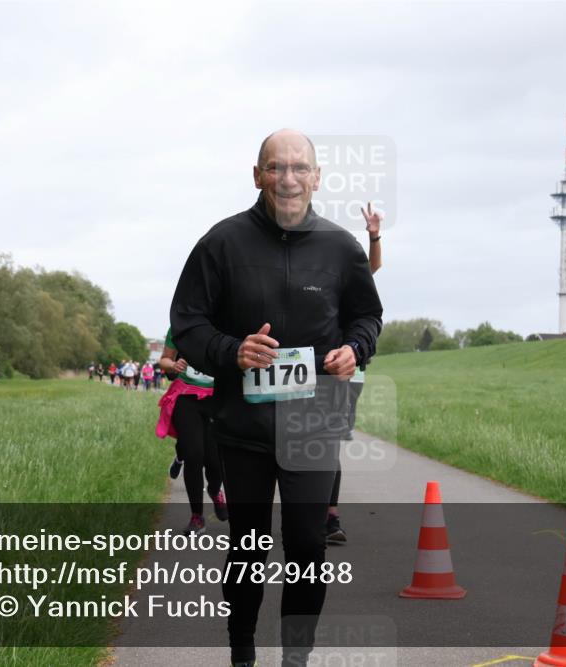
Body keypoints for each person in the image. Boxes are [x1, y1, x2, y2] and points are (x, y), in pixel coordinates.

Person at [170, 129, 382, 667]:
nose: (288, 179)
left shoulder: (341, 247)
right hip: (242, 428)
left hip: (313, 425)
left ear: (317, 176)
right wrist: (231, 349)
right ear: (257, 174)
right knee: (248, 548)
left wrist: (355, 349)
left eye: (298, 168)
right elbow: (188, 324)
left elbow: (367, 317)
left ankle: (296, 659)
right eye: (276, 167)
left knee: (308, 548)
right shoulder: (221, 243)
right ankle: (242, 654)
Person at [327, 201, 384, 545]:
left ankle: (329, 517)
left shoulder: (351, 282)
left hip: (348, 375)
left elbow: (372, 266)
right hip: (311, 371)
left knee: (327, 444)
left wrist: (374, 236)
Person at [157, 326, 227, 535]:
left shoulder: (224, 320)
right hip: (186, 396)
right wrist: (173, 364)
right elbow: (164, 360)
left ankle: (215, 490)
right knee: (193, 454)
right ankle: (197, 517)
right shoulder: (180, 326)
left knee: (215, 461)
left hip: (217, 397)